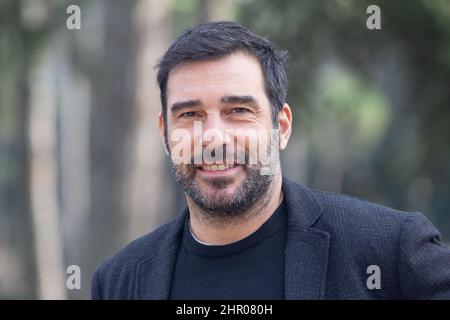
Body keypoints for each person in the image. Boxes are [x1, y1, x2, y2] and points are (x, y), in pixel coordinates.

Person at [91, 21, 450, 300]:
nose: (213, 137)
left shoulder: (391, 251)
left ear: (281, 126)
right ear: (164, 132)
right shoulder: (119, 281)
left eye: (237, 110)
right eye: (189, 115)